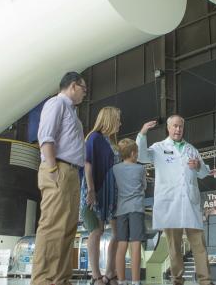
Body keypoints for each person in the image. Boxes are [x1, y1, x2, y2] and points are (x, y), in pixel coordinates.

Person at [137, 116, 213, 285]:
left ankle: (205, 280)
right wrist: (143, 134)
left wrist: (198, 166)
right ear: (168, 128)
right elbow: (142, 156)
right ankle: (177, 280)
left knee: (199, 244)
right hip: (170, 203)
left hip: (190, 203)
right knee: (174, 246)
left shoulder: (191, 149)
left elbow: (204, 172)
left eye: (181, 127)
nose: (178, 129)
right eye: (175, 126)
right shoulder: (159, 148)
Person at [32, 72, 88, 285]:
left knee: (68, 228)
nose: (85, 93)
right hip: (58, 167)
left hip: (71, 172)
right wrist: (53, 168)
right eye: (84, 88)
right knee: (53, 226)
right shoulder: (56, 103)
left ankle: (61, 279)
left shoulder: (72, 111)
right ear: (73, 86)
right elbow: (46, 137)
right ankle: (43, 280)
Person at [82, 107, 121, 285]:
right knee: (96, 231)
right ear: (109, 119)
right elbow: (88, 164)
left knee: (116, 233)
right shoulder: (94, 138)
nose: (120, 123)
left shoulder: (110, 142)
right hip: (96, 190)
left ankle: (110, 273)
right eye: (117, 119)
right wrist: (91, 190)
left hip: (111, 193)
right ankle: (96, 275)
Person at [113, 138, 147, 285]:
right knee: (136, 244)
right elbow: (144, 186)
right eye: (137, 152)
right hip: (136, 209)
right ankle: (135, 281)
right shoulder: (140, 169)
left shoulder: (115, 169)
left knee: (121, 244)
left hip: (121, 210)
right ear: (133, 153)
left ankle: (121, 280)